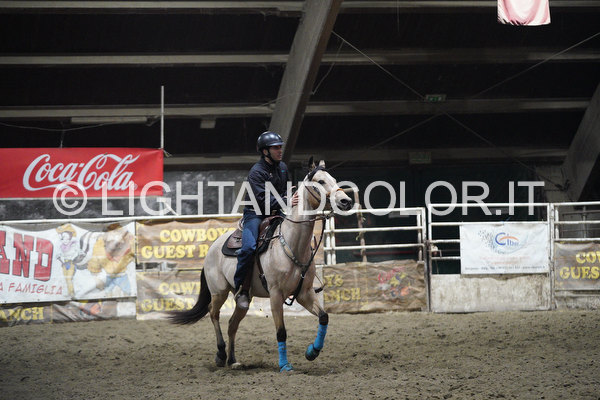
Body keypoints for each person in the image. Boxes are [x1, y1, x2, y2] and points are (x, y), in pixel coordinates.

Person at [234, 131, 298, 310]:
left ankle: (296, 282)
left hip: (276, 212)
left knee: (296, 237)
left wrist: (289, 196)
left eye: (280, 147)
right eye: (275, 148)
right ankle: (241, 288)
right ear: (265, 151)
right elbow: (262, 200)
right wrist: (286, 200)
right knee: (248, 248)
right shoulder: (256, 172)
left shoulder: (283, 167)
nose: (280, 150)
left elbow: (285, 190)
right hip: (255, 214)